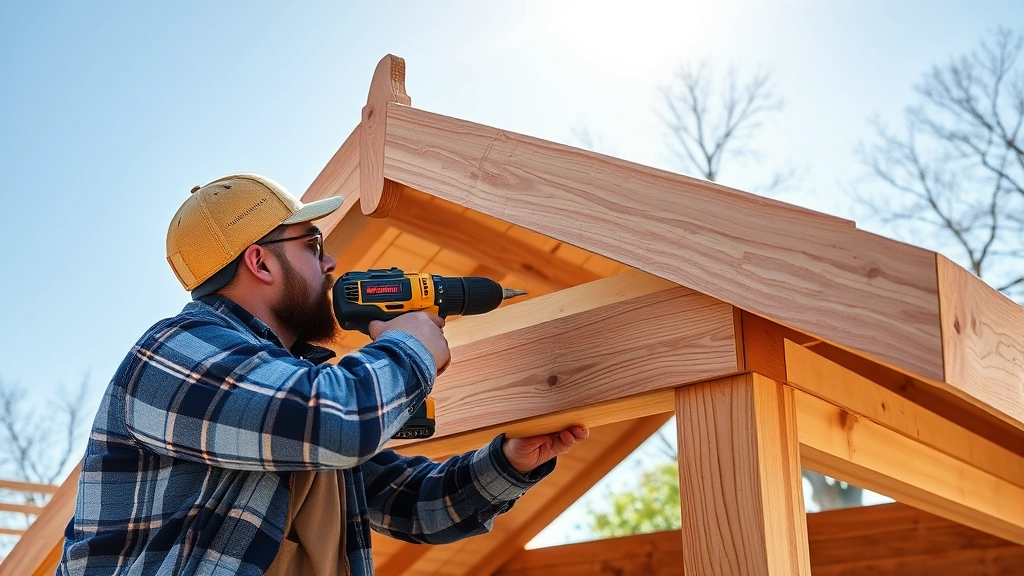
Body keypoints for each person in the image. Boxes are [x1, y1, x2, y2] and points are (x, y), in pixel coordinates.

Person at [57, 173, 589, 576]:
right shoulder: (172, 352)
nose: (331, 261)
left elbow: (414, 505)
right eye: (312, 245)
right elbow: (335, 422)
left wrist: (509, 463)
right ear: (260, 263)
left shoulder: (287, 396)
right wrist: (412, 348)